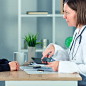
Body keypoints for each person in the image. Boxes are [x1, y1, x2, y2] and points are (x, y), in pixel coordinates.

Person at [41, 0, 86, 86]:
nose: (64, 16)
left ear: (79, 12)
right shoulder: (78, 31)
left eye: (67, 13)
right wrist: (55, 50)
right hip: (75, 80)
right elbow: (71, 58)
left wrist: (61, 66)